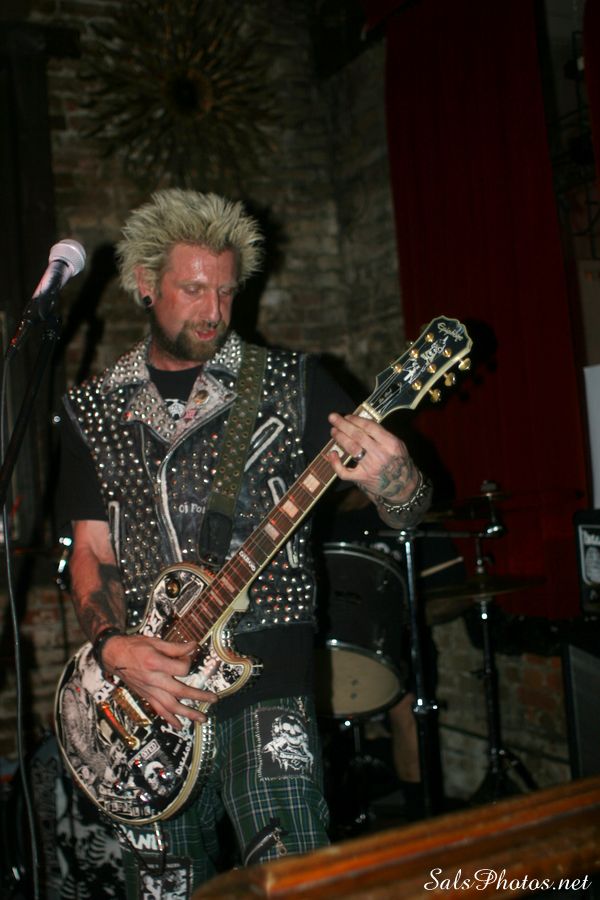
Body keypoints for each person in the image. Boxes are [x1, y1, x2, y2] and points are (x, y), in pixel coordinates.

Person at [57, 188, 432, 897]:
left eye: (227, 291)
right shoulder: (95, 410)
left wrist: (398, 480)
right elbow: (92, 553)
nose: (214, 311)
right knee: (165, 887)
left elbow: (407, 512)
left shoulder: (291, 384)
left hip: (266, 671)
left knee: (292, 876)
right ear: (145, 284)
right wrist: (111, 648)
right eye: (194, 290)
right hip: (146, 693)